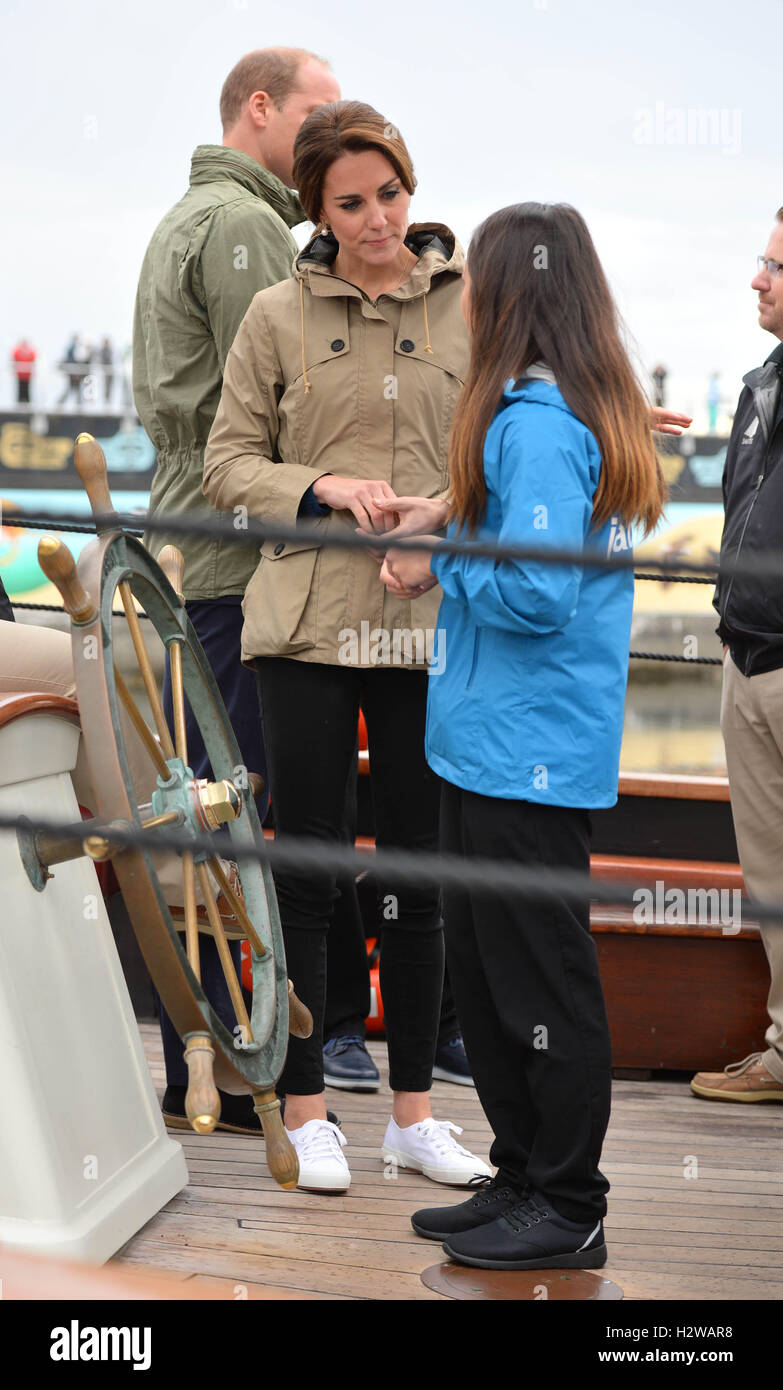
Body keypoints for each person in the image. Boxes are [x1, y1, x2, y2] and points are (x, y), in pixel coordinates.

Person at [204, 100, 491, 1193]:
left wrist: (437, 526)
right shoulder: (274, 317)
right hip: (306, 625)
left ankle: (414, 1115)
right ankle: (309, 1101)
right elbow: (227, 465)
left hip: (426, 624)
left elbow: (501, 452)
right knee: (311, 861)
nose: (379, 219)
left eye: (392, 194)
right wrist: (321, 487)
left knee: (419, 868)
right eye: (352, 202)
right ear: (314, 211)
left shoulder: (476, 306)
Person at [380, 202, 667, 1269]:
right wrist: (444, 520)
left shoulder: (538, 423)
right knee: (497, 973)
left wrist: (433, 563)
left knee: (540, 976)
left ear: (511, 295)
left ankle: (569, 1201)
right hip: (492, 746)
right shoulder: (544, 411)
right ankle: (520, 1174)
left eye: (474, 285)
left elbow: (540, 596)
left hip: (525, 755)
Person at [132, 46, 340, 1132]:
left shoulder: (188, 215)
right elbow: (290, 402)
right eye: (318, 113)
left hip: (183, 555)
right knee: (242, 818)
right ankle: (259, 1068)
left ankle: (199, 1064)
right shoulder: (251, 226)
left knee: (202, 815)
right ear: (261, 110)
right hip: (230, 564)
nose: (328, 132)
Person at [691, 211, 783, 1106]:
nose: (757, 281)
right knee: (771, 873)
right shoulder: (759, 388)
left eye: (773, 266)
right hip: (745, 658)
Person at [11, 339, 36, 404]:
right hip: (20, 374)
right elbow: (15, 358)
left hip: (27, 375)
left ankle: (27, 402)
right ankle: (20, 402)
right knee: (20, 388)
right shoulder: (18, 351)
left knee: (27, 389)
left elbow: (33, 359)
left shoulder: (30, 351)